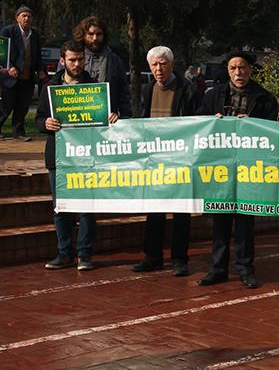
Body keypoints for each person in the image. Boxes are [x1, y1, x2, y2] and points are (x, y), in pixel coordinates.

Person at [197, 50, 278, 289]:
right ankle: (218, 268)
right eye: (233, 68)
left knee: (244, 221)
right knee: (220, 219)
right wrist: (214, 121)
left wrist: (253, 125)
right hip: (220, 167)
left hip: (249, 168)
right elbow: (200, 125)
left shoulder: (264, 98)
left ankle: (245, 269)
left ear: (250, 70)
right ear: (228, 70)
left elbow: (272, 131)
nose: (238, 72)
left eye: (242, 68)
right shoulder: (213, 95)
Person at [36, 41, 119, 270]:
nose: (77, 63)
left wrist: (112, 116)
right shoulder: (50, 88)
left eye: (80, 59)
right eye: (72, 59)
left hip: (87, 157)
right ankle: (64, 253)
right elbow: (38, 119)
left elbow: (106, 121)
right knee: (60, 207)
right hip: (59, 157)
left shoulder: (95, 88)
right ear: (62, 60)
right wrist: (45, 123)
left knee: (87, 208)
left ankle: (84, 254)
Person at [131, 46, 200, 277]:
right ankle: (152, 257)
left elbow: (196, 121)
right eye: (154, 65)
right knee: (154, 210)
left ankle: (180, 259)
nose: (158, 69)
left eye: (163, 64)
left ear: (172, 64)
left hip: (180, 159)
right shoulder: (147, 89)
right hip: (154, 159)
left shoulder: (188, 89)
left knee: (181, 212)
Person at [72, 16, 131, 120]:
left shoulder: (114, 60)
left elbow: (123, 91)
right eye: (90, 34)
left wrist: (125, 117)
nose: (95, 38)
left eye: (98, 34)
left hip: (109, 119)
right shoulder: (73, 58)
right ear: (83, 35)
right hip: (78, 118)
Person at [0, 5, 44, 140]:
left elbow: (37, 55)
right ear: (17, 18)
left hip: (28, 76)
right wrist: (10, 67)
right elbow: (2, 52)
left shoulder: (35, 34)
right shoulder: (8, 31)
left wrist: (41, 70)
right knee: (7, 105)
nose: (26, 18)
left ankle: (18, 133)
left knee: (23, 106)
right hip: (10, 76)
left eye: (29, 16)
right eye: (23, 15)